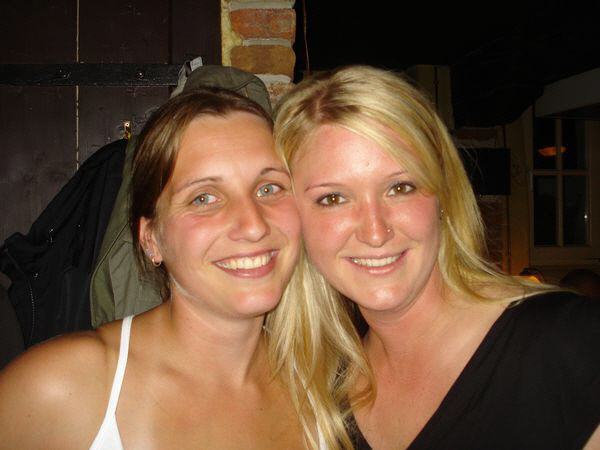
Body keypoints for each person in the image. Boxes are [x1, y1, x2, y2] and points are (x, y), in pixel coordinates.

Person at [0, 88, 364, 449]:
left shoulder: (326, 388)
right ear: (151, 239)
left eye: (269, 188)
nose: (253, 225)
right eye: (204, 198)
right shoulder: (61, 388)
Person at [274, 65, 600, 450]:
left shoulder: (572, 343)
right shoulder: (316, 389)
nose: (375, 232)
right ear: (294, 219)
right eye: (333, 198)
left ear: (443, 195)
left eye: (400, 187)